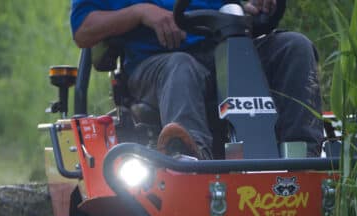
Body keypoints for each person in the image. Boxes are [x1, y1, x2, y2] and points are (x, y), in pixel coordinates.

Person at [70, 0, 323, 159]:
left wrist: (256, 6)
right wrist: (140, 12)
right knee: (181, 66)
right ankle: (191, 163)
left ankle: (304, 158)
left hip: (227, 49)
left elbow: (240, 8)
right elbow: (83, 30)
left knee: (295, 47)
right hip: (155, 61)